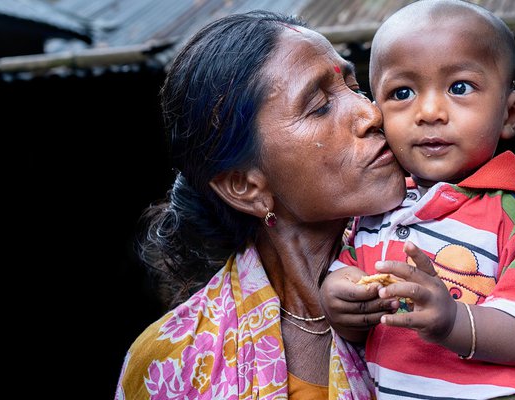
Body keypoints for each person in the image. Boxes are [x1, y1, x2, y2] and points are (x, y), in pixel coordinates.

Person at [114, 10, 407, 399]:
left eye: (355, 87)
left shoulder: (462, 267)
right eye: (319, 105)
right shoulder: (170, 364)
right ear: (246, 187)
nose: (371, 113)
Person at [319, 1, 515, 398]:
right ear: (377, 114)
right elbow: (354, 310)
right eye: (403, 92)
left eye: (459, 87)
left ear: (510, 113)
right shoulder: (374, 212)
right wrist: (341, 301)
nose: (429, 111)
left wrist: (454, 322)